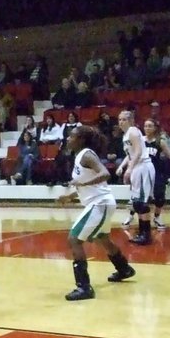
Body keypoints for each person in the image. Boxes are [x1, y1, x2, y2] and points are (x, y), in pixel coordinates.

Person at [56, 126, 135, 301]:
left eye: (72, 137)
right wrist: (70, 197)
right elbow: (90, 187)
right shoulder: (79, 157)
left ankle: (84, 287)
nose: (68, 139)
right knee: (103, 239)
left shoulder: (86, 155)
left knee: (74, 239)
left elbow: (105, 173)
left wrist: (83, 184)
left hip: (100, 204)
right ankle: (124, 269)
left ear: (81, 140)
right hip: (101, 203)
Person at [124, 119, 170, 230]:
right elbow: (130, 155)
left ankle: (157, 217)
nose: (147, 128)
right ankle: (130, 216)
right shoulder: (139, 140)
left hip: (156, 171)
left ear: (155, 128)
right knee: (137, 196)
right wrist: (122, 167)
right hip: (141, 170)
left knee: (159, 196)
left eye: (150, 126)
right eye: (145, 126)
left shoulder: (159, 141)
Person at [115, 109, 155, 245]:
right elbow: (130, 154)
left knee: (142, 203)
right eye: (119, 119)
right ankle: (142, 232)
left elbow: (138, 151)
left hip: (143, 166)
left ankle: (146, 235)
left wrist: (130, 168)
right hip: (137, 167)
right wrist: (122, 166)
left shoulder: (133, 131)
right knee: (137, 202)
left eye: (124, 119)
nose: (121, 122)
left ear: (131, 120)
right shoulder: (125, 135)